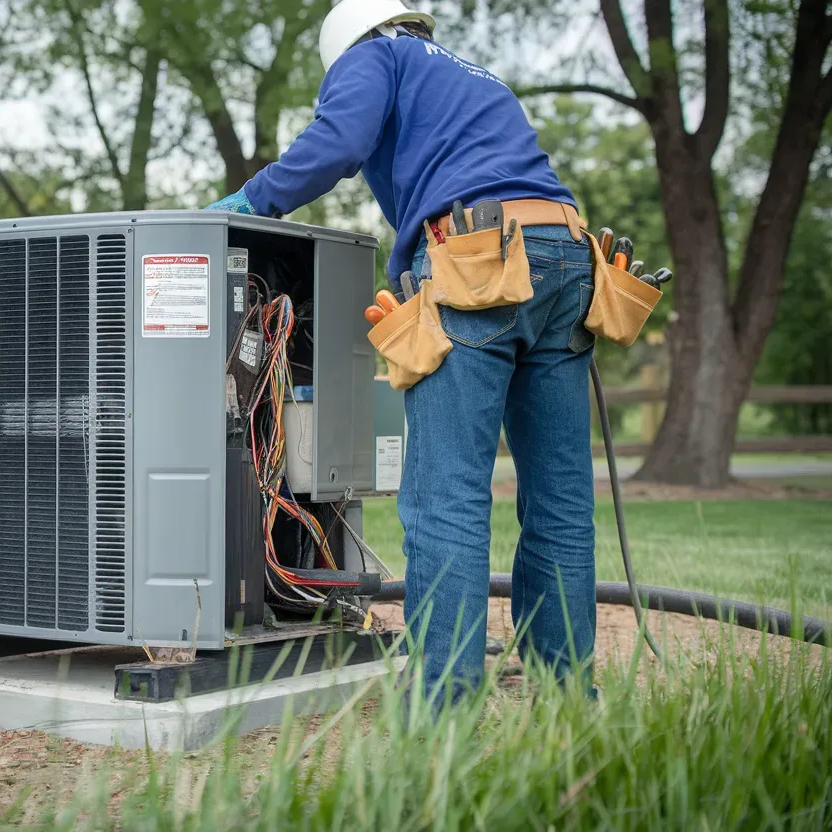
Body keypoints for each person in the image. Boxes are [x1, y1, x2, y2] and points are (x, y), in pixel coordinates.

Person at [207, 0, 597, 704]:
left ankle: (442, 707)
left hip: (477, 263)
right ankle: (567, 691)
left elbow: (336, 144)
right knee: (562, 499)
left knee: (445, 497)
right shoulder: (476, 76)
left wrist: (249, 202)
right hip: (568, 257)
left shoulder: (372, 57)